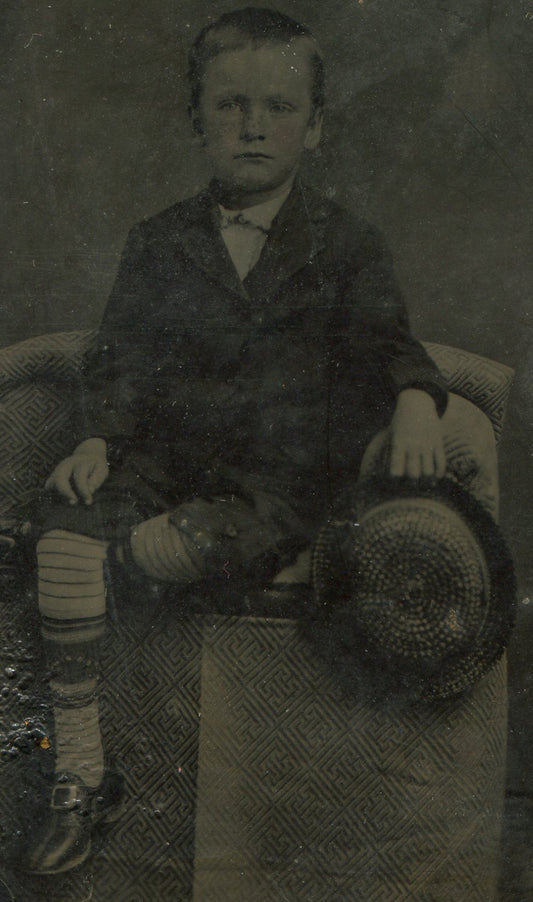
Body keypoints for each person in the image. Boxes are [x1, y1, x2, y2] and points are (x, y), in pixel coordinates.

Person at [28, 7, 448, 875]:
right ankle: (79, 770)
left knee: (194, 540)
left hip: (278, 483)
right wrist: (100, 439)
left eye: (278, 107)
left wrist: (414, 400)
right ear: (196, 119)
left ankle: (90, 570)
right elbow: (120, 358)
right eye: (228, 106)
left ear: (317, 125)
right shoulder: (158, 241)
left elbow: (390, 343)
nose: (253, 126)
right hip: (163, 462)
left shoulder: (345, 245)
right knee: (68, 521)